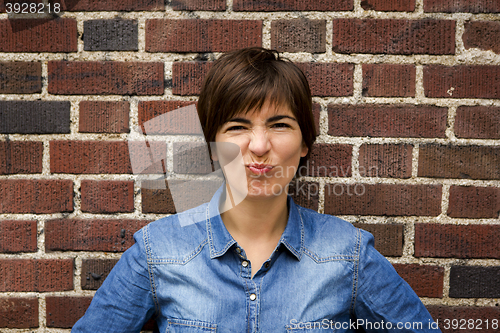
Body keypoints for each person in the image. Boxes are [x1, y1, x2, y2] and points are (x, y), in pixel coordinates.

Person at [73, 47, 440, 332]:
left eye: (279, 125)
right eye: (237, 127)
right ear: (213, 146)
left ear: (305, 142)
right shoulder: (159, 252)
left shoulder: (347, 254)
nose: (260, 146)